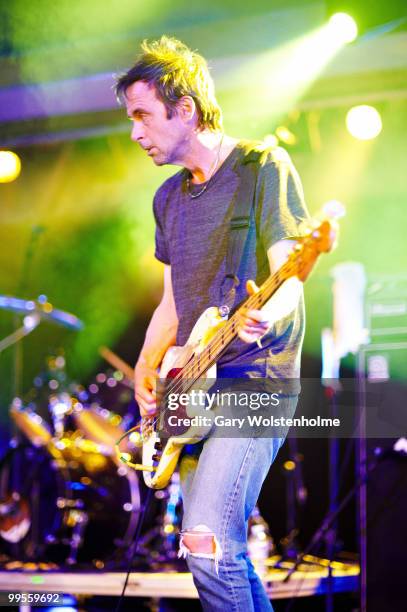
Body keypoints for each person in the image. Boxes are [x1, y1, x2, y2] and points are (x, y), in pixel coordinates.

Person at [116, 36, 310, 612]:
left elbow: (290, 274)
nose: (135, 133)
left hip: (256, 382)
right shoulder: (167, 198)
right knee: (216, 552)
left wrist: (264, 316)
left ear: (186, 109)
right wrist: (147, 368)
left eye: (142, 115)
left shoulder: (261, 167)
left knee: (204, 542)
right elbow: (173, 304)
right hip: (190, 387)